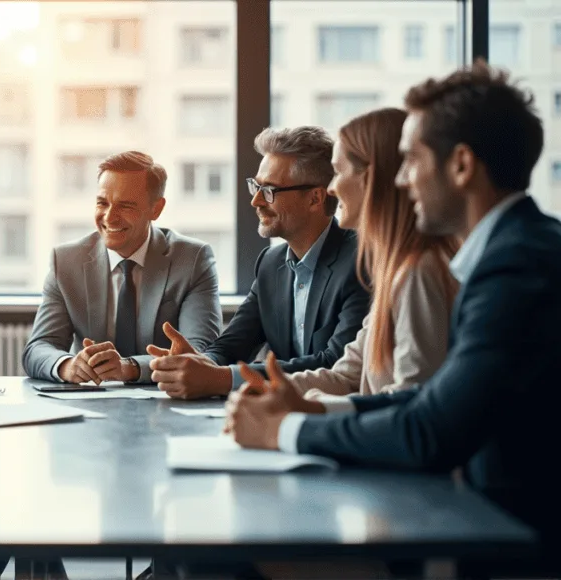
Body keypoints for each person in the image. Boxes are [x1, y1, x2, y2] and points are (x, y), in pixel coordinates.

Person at [226, 62, 560, 576]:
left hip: (496, 538)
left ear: (462, 166)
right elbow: (431, 398)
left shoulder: (516, 267)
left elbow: (432, 428)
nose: (402, 180)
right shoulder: (510, 253)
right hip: (475, 518)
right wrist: (311, 413)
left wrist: (287, 430)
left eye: (410, 161)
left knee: (238, 555)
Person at [148, 126, 369, 400]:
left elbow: (336, 365)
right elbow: (234, 342)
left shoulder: (362, 260)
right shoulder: (271, 262)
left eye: (269, 191)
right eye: (256, 186)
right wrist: (203, 361)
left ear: (315, 198)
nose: (255, 201)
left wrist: (222, 378)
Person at [282, 108, 458, 399]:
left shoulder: (419, 272)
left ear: (371, 178)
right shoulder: (396, 270)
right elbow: (347, 376)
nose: (330, 188)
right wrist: (260, 388)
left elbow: (411, 399)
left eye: (338, 172)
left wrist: (315, 408)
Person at [22, 151, 221, 385]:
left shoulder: (192, 260)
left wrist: (130, 368)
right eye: (102, 203)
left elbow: (201, 353)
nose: (109, 217)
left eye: (125, 206)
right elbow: (38, 348)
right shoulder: (66, 261)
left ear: (156, 209)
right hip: (91, 404)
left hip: (167, 400)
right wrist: (67, 365)